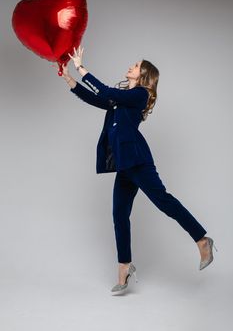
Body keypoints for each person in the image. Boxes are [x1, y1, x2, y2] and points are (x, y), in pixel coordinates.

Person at [53, 45, 218, 295]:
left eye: (136, 65)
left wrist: (81, 68)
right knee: (119, 215)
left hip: (137, 160)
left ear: (143, 75)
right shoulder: (120, 99)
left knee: (163, 200)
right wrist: (69, 79)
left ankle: (202, 239)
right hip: (124, 163)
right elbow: (98, 98)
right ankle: (124, 267)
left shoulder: (139, 94)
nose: (131, 66)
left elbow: (105, 91)